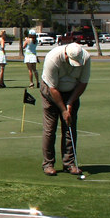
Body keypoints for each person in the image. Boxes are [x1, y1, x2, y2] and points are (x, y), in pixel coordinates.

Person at [40, 42, 91, 176]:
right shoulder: (53, 58)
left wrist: (70, 103)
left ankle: (69, 163)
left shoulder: (85, 58)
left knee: (70, 127)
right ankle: (48, 164)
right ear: (66, 55)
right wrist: (63, 110)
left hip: (72, 92)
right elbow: (52, 88)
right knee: (50, 129)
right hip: (50, 92)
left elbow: (83, 83)